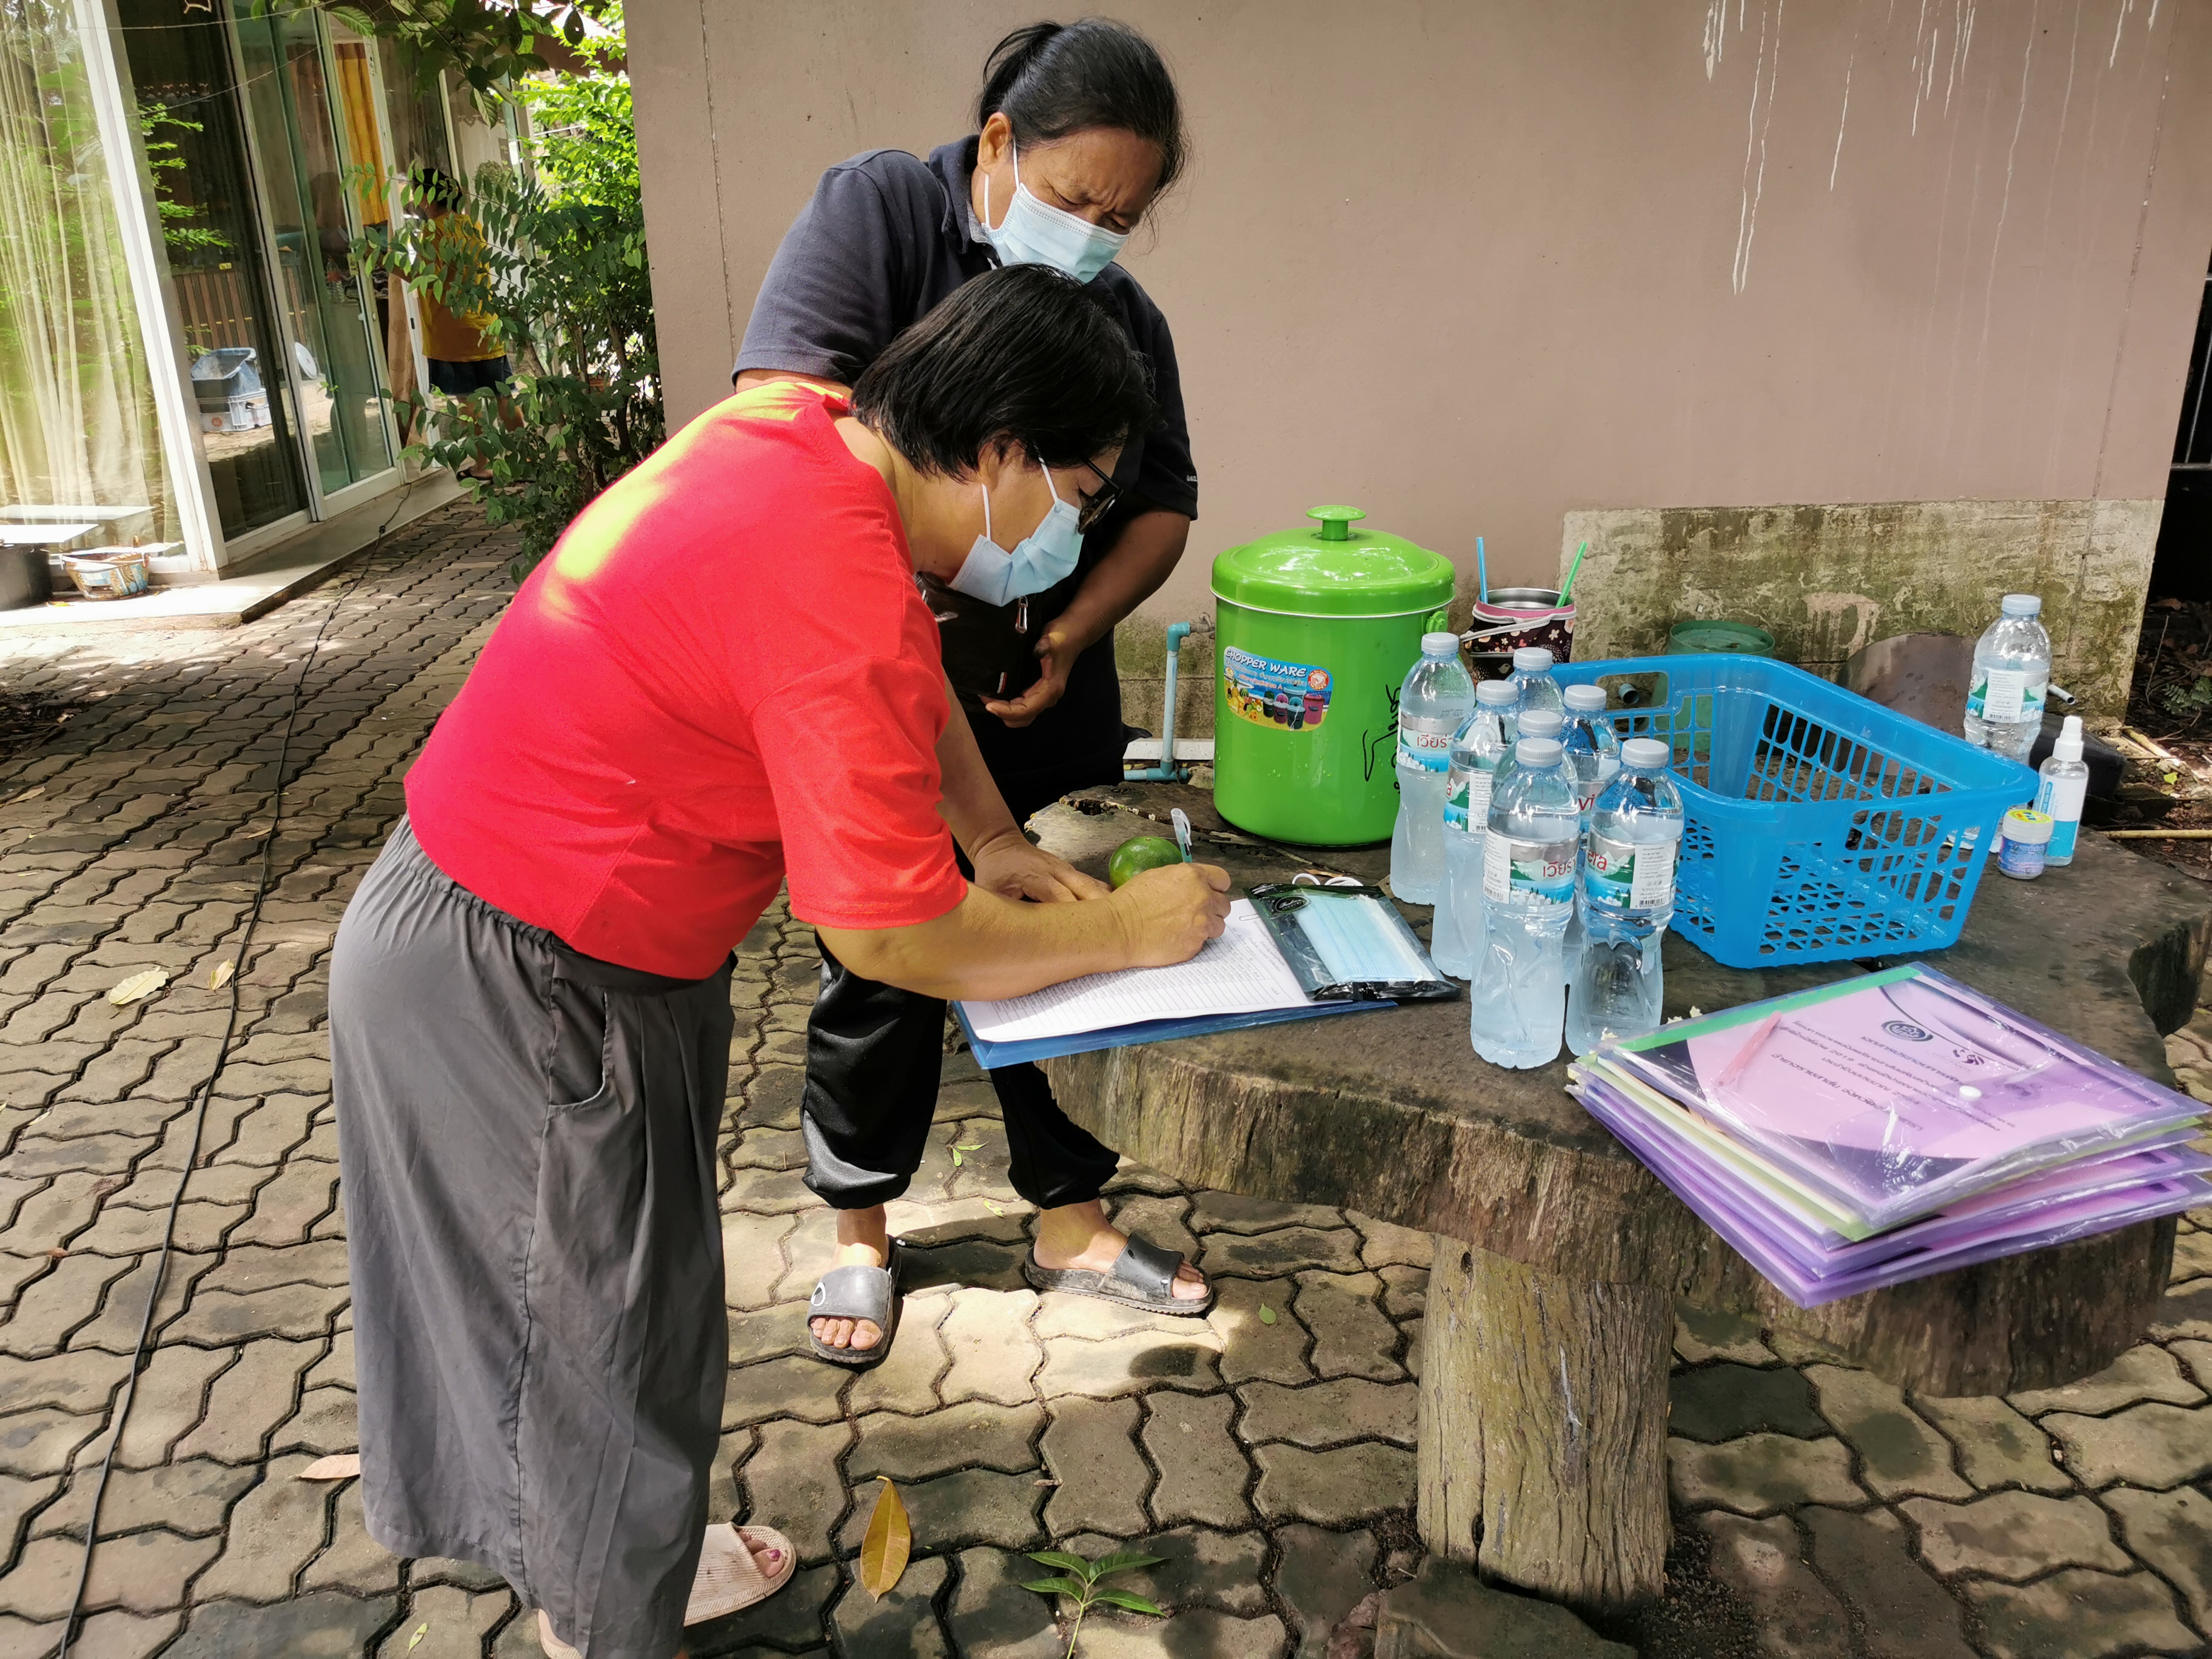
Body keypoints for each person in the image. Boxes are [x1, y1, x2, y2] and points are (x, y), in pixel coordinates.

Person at [329, 266, 1231, 1659]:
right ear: (996, 451)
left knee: (642, 1309)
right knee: (585, 1355)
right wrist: (1128, 927)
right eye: (1082, 489)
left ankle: (636, 1569)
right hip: (521, 976)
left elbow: (906, 674)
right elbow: (889, 935)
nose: (1080, 527)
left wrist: (989, 831)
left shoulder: (810, 433)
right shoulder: (834, 581)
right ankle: (607, 1623)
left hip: (583, 943)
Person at [736, 18, 1209, 1362]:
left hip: (1016, 674)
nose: (1096, 234)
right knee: (880, 951)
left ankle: (1070, 1209)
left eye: (1121, 217)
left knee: (1045, 898)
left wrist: (1058, 627)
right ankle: (860, 1223)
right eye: (1071, 201)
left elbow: (1168, 499)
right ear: (1000, 142)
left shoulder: (1121, 316)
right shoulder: (881, 212)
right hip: (874, 654)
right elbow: (800, 432)